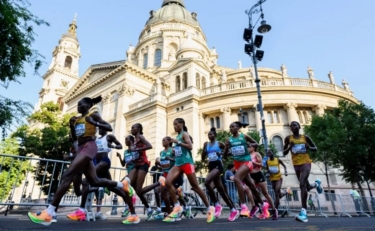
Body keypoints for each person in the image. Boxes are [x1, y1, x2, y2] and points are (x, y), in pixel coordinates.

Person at [27, 96, 130, 226]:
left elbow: (108, 127)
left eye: (81, 105)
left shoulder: (94, 114)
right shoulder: (76, 120)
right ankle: (123, 185)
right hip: (81, 148)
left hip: (90, 146)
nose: (78, 107)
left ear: (87, 106)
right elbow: (75, 138)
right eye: (78, 105)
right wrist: (71, 126)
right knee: (94, 181)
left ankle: (50, 212)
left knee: (67, 175)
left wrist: (94, 122)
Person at [158, 118, 215, 223]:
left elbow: (190, 146)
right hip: (178, 164)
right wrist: (174, 152)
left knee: (196, 187)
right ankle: (177, 207)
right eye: (173, 124)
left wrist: (177, 142)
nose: (174, 126)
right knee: (167, 182)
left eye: (176, 124)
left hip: (187, 163)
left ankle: (209, 208)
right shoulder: (177, 137)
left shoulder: (184, 134)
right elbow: (179, 150)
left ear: (182, 124)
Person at [66, 128, 124, 221]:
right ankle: (127, 195)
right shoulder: (95, 139)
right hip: (96, 163)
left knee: (85, 181)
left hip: (104, 161)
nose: (100, 130)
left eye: (101, 128)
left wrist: (112, 146)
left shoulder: (109, 137)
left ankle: (81, 210)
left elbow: (120, 146)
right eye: (99, 129)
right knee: (110, 186)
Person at [283, 121, 323, 223]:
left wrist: (309, 147)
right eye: (291, 125)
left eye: (295, 125)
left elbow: (315, 148)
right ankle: (316, 184)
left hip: (306, 162)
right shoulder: (288, 138)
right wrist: (289, 147)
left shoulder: (305, 137)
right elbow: (284, 152)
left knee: (301, 184)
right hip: (296, 164)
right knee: (307, 186)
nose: (293, 127)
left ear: (299, 126)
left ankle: (303, 212)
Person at [223, 121, 265, 218]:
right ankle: (260, 205)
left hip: (247, 162)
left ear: (238, 128)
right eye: (230, 127)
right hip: (238, 164)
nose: (231, 128)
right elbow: (225, 156)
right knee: (251, 186)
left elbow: (256, 144)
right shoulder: (228, 139)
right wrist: (226, 147)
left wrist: (248, 144)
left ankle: (243, 206)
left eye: (233, 127)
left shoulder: (243, 136)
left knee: (237, 179)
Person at [202, 127, 239, 221]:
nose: (209, 135)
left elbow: (229, 153)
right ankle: (233, 209)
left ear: (215, 135)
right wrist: (203, 150)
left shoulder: (219, 143)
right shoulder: (206, 144)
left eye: (211, 134)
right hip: (211, 167)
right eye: (208, 134)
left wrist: (221, 154)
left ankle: (217, 205)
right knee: (221, 191)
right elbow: (203, 158)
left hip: (218, 166)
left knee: (207, 182)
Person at [121, 123, 154, 220]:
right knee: (136, 190)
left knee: (138, 190)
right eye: (131, 128)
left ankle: (158, 184)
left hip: (143, 164)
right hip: (136, 165)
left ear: (138, 129)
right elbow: (134, 154)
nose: (131, 129)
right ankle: (148, 210)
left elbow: (149, 146)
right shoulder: (134, 140)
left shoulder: (141, 137)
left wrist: (138, 148)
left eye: (133, 128)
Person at [248, 143, 277, 220]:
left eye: (249, 146)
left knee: (265, 193)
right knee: (252, 191)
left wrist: (253, 162)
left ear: (253, 148)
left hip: (258, 174)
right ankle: (258, 208)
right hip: (251, 175)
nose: (248, 148)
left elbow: (262, 165)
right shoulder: (247, 155)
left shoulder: (256, 154)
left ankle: (274, 210)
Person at [117, 135, 138, 223]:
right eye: (125, 139)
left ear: (132, 141)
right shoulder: (125, 151)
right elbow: (123, 164)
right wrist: (119, 157)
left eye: (127, 139)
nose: (125, 141)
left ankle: (130, 203)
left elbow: (137, 160)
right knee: (124, 189)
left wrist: (132, 161)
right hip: (128, 172)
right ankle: (130, 207)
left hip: (134, 172)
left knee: (122, 185)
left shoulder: (135, 149)